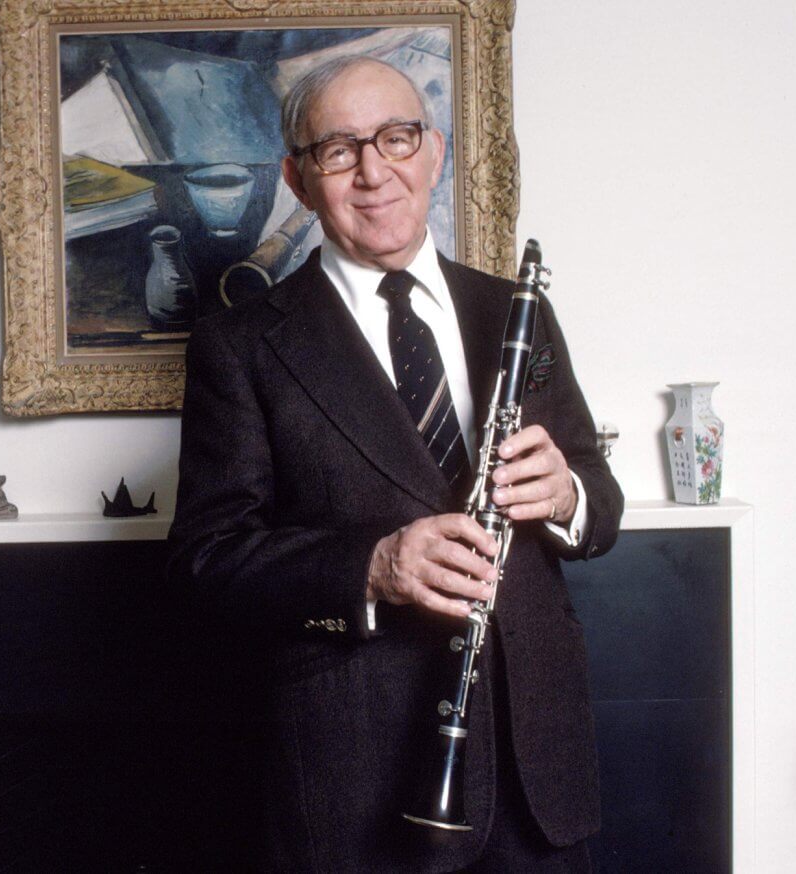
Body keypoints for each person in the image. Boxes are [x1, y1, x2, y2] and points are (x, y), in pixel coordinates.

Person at [166, 55, 623, 873]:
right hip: (355, 780)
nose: (374, 172)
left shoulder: (515, 312)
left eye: (397, 138)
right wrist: (373, 566)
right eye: (338, 150)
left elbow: (600, 500)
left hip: (536, 773)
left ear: (433, 153)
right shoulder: (239, 345)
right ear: (298, 180)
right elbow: (208, 561)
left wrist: (568, 496)